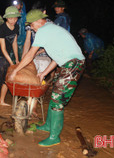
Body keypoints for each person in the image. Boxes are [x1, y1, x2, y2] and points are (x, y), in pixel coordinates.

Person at [8, 9, 85, 147]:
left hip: (73, 64)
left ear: (39, 21)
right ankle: (48, 126)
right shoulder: (51, 29)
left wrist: (16, 71)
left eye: (31, 25)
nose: (31, 28)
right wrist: (44, 72)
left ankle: (54, 137)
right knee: (55, 94)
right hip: (69, 63)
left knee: (57, 101)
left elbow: (31, 54)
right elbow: (56, 58)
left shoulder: (43, 31)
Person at [21, 7, 52, 117]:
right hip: (33, 55)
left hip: (45, 56)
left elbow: (50, 44)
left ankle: (33, 108)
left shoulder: (49, 24)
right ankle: (29, 104)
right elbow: (27, 41)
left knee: (39, 80)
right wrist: (24, 58)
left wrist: (37, 52)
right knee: (31, 79)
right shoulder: (30, 24)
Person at [0, 6, 21, 112]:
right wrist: (11, 62)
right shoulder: (2, 29)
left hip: (8, 57)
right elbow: (3, 49)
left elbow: (14, 43)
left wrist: (17, 59)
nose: (13, 20)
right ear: (7, 18)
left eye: (15, 18)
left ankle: (1, 101)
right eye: (11, 18)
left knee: (6, 80)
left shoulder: (16, 27)